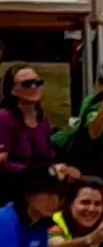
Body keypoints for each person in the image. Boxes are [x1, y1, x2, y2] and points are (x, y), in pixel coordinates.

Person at [0, 63, 72, 193]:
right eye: (27, 84)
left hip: (41, 181)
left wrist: (61, 169)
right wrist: (44, 172)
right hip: (13, 184)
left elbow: (48, 157)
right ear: (12, 90)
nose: (34, 87)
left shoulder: (42, 118)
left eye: (38, 82)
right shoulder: (4, 118)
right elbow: (2, 162)